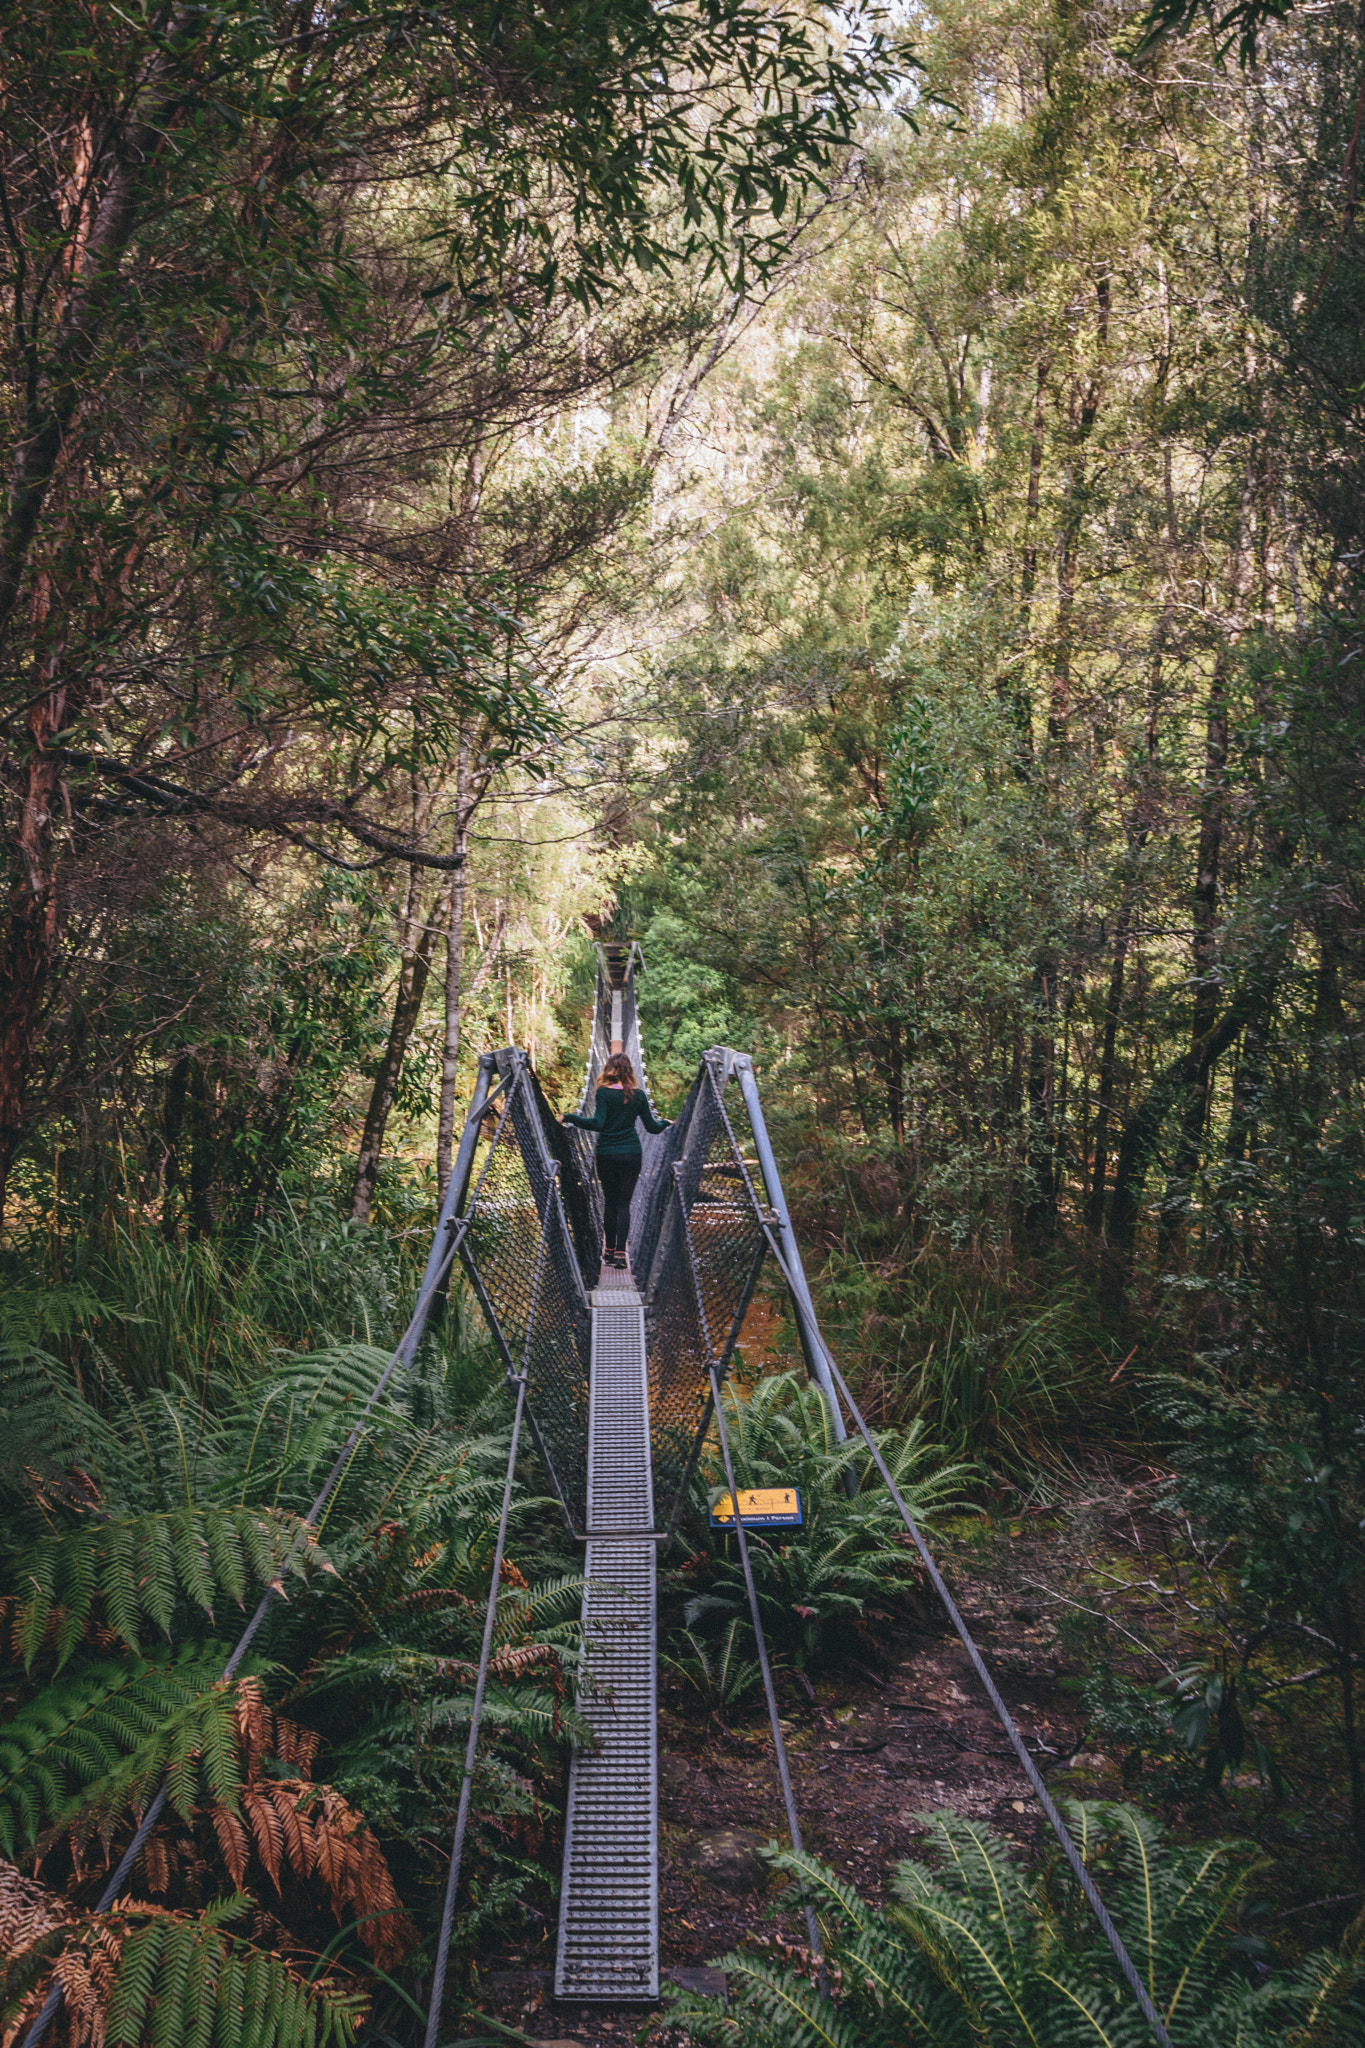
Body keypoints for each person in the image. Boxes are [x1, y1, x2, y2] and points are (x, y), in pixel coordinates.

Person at [563, 1053, 670, 1269]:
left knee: (610, 1203)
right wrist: (665, 1123)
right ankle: (621, 1254)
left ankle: (609, 1251)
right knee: (624, 1205)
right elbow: (652, 1127)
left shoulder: (603, 1093)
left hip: (607, 1155)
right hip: (632, 1154)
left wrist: (570, 1117)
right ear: (630, 1070)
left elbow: (598, 1123)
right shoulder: (638, 1096)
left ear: (609, 1069)